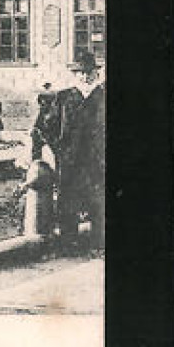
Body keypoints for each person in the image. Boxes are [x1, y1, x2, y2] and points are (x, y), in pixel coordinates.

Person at [55, 53, 105, 250]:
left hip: (97, 159)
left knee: (98, 200)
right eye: (81, 73)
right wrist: (57, 151)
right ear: (75, 74)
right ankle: (68, 242)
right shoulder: (64, 97)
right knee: (68, 199)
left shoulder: (102, 96)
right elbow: (48, 126)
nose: (85, 77)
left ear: (96, 74)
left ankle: (98, 243)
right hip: (70, 159)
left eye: (89, 73)